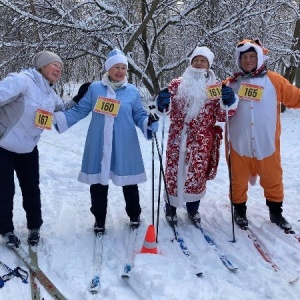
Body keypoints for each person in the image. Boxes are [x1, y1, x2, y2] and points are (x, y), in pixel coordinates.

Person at [54, 49, 158, 234]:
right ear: (108, 69)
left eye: (123, 68)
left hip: (125, 142)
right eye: (116, 67)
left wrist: (147, 123)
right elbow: (80, 110)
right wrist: (59, 119)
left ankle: (134, 214)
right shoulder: (95, 89)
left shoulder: (132, 91)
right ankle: (99, 219)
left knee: (129, 181)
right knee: (98, 182)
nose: (120, 71)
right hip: (99, 141)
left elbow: (138, 114)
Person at [0, 50, 81, 248]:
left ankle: (34, 226)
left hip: (28, 148)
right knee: (4, 190)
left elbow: (62, 110)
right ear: (42, 65)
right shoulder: (22, 81)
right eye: (55, 65)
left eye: (61, 68)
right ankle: (6, 229)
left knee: (31, 188)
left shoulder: (50, 94)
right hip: (3, 146)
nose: (59, 70)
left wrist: (80, 98)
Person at [156, 46, 238, 227]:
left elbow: (221, 115)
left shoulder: (216, 87)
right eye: (196, 60)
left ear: (209, 64)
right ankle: (171, 206)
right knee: (173, 171)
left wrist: (229, 102)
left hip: (202, 139)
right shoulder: (177, 84)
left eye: (203, 61)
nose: (199, 63)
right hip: (178, 136)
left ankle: (193, 208)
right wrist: (162, 102)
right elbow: (165, 108)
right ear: (191, 61)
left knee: (196, 173)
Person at [224, 39, 300, 231]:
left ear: (259, 58)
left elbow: (295, 97)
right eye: (244, 57)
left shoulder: (274, 80)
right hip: (239, 145)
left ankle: (276, 212)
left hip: (267, 144)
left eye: (252, 56)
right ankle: (239, 211)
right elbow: (210, 102)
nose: (248, 60)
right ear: (238, 60)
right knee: (238, 181)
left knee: (273, 178)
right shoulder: (230, 84)